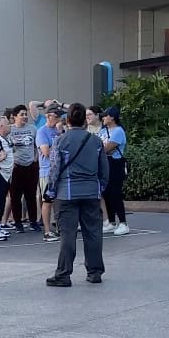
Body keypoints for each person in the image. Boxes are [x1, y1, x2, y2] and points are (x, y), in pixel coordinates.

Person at [45, 102, 109, 287]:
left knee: (68, 234)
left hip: (67, 193)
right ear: (83, 120)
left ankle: (63, 274)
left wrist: (51, 190)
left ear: (68, 120)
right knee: (93, 233)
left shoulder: (60, 140)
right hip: (91, 192)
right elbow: (104, 170)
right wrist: (99, 187)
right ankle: (95, 271)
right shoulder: (95, 141)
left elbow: (55, 168)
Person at [9, 104, 41, 232]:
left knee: (31, 195)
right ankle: (17, 223)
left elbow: (36, 146)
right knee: (15, 197)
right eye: (21, 114)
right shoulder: (10, 130)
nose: (24, 116)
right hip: (15, 167)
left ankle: (33, 221)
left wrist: (35, 159)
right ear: (14, 116)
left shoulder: (33, 129)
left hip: (31, 166)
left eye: (25, 114)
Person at [99, 106, 129, 236]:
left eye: (106, 115)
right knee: (106, 193)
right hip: (105, 163)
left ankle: (123, 223)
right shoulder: (103, 130)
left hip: (116, 163)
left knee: (115, 193)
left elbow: (106, 148)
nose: (103, 118)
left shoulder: (118, 131)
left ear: (112, 117)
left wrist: (102, 148)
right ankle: (111, 222)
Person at [36, 106, 65, 240]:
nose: (59, 119)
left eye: (60, 116)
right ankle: (47, 231)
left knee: (60, 201)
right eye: (56, 116)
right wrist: (59, 136)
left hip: (60, 170)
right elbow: (46, 152)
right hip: (47, 171)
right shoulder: (42, 132)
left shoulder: (60, 131)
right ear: (48, 116)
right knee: (47, 200)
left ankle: (60, 227)